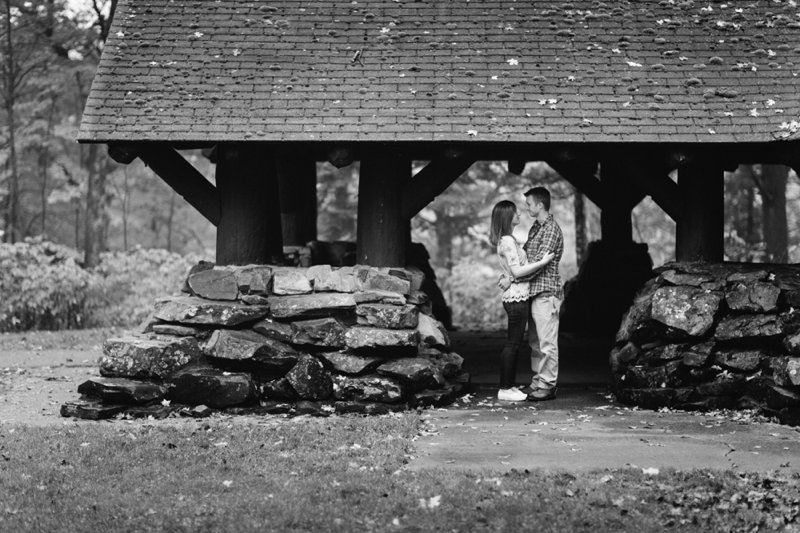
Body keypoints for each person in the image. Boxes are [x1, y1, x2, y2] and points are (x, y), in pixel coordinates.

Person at [490, 200, 554, 402]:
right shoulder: (507, 241)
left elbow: (511, 272)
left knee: (514, 343)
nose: (519, 215)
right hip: (516, 298)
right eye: (516, 213)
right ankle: (505, 387)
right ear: (507, 217)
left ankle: (509, 385)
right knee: (513, 344)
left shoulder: (509, 239)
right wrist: (542, 262)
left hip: (518, 294)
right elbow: (517, 270)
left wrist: (508, 277)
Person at [515, 187, 564, 401]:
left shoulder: (551, 229)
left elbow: (538, 265)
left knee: (547, 343)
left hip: (546, 293)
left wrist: (515, 277)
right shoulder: (536, 227)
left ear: (540, 205)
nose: (526, 207)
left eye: (529, 204)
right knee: (535, 344)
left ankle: (548, 385)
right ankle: (537, 382)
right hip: (534, 293)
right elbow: (526, 256)